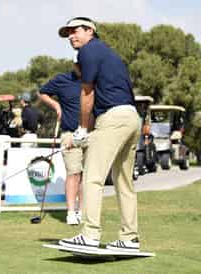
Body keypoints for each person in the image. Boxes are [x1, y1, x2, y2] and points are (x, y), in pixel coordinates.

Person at [57, 17, 141, 252]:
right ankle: (129, 239)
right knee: (124, 182)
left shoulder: (88, 50)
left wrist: (82, 130)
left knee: (92, 178)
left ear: (90, 31)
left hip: (113, 119)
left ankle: (90, 234)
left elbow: (87, 93)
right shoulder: (107, 53)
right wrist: (87, 132)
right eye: (68, 33)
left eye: (75, 31)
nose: (72, 36)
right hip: (131, 117)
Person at [39, 53, 83, 225]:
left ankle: (84, 212)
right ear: (74, 64)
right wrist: (56, 105)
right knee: (73, 173)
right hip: (70, 134)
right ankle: (71, 212)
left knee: (88, 176)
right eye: (78, 64)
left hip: (92, 134)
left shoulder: (95, 80)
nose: (81, 67)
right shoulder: (62, 80)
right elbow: (43, 93)